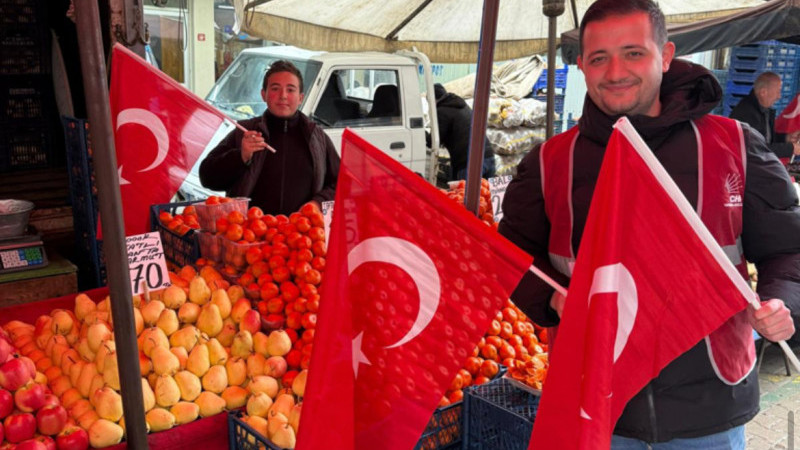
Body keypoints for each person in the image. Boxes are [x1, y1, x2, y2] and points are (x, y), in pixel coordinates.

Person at [499, 0, 798, 447]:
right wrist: (553, 298)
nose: (615, 71)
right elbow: (512, 257)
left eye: (633, 53)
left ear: (666, 55)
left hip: (710, 409)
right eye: (599, 58)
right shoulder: (549, 163)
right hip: (597, 407)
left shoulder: (733, 145)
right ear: (581, 66)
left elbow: (787, 246)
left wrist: (782, 301)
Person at [200, 60, 339, 215]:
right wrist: (241, 156)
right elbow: (206, 177)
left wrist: (317, 203)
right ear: (263, 94)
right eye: (275, 88)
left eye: (290, 89)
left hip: (302, 229)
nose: (283, 96)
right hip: (249, 228)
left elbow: (340, 183)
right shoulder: (245, 132)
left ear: (300, 98)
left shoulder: (317, 137)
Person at [426, 83, 496, 180]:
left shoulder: (442, 111)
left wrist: (423, 135)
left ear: (433, 99)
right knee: (487, 190)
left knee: (462, 189)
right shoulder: (461, 105)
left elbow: (434, 141)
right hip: (488, 156)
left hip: (469, 162)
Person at [729, 72, 800, 159]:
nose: (779, 96)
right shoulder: (747, 113)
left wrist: (786, 138)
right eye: (778, 92)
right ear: (763, 92)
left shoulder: (763, 109)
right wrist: (790, 148)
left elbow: (766, 138)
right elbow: (757, 149)